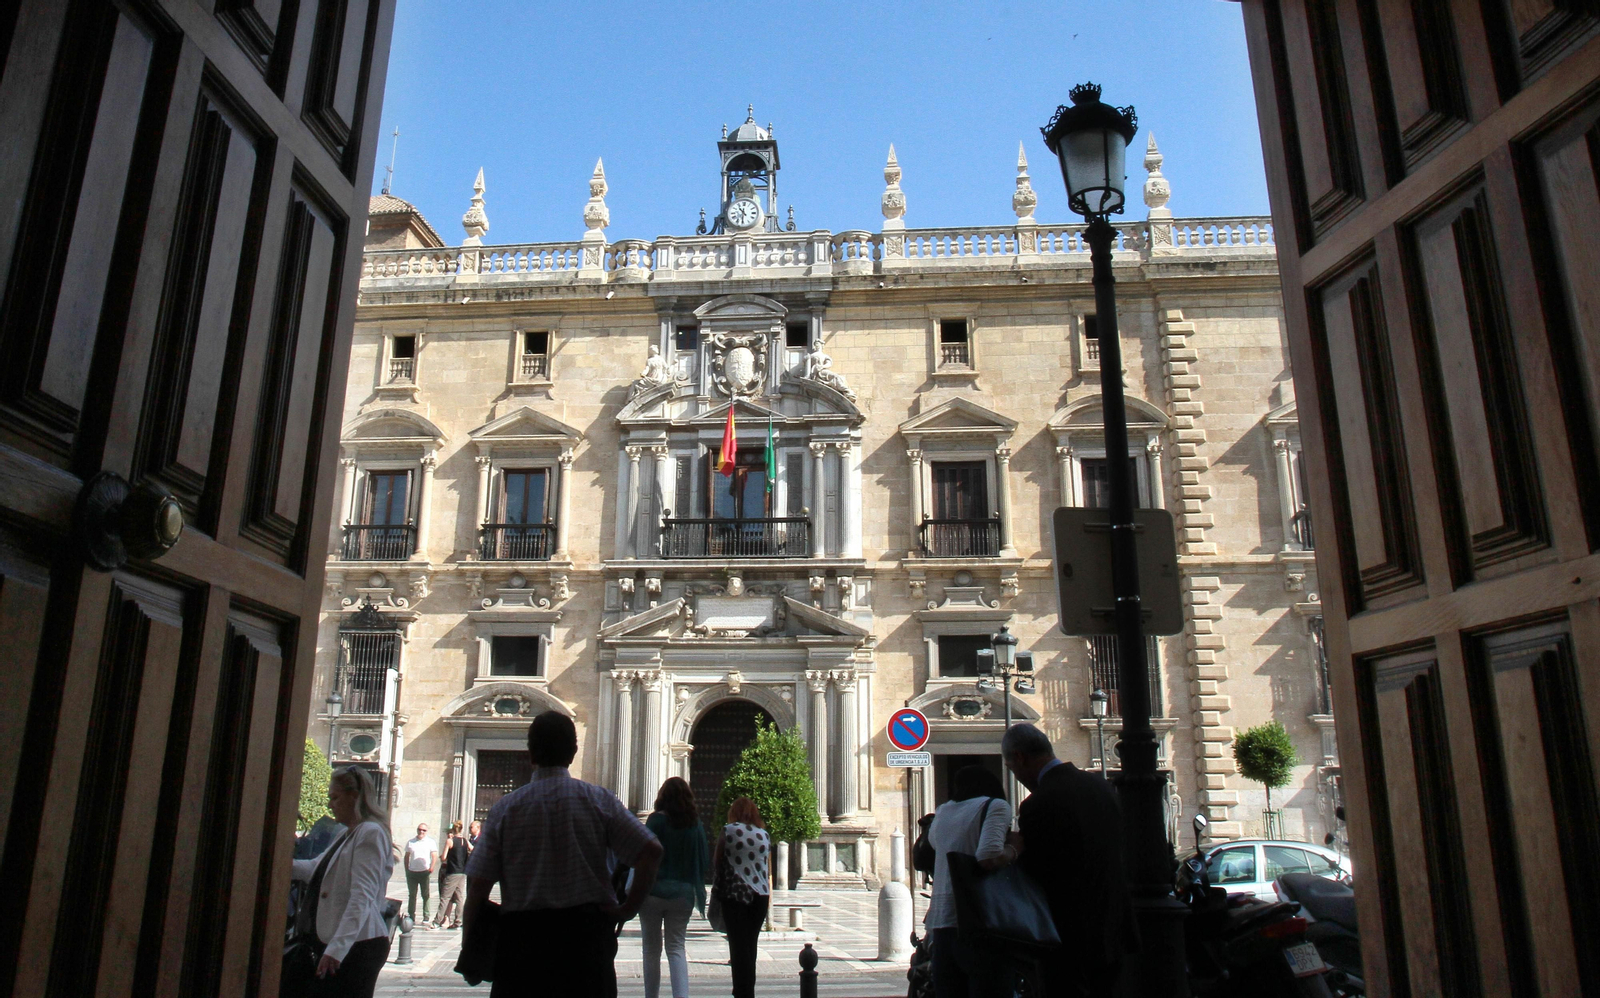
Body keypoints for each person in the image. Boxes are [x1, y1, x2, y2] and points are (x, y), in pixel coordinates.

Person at [463, 711, 663, 997]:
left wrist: (470, 948)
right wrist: (628, 908)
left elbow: (478, 888)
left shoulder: (505, 809)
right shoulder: (599, 800)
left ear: (531, 753)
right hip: (586, 941)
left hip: (523, 944)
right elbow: (651, 851)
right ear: (573, 752)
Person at [1001, 724, 1136, 998]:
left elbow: (1039, 872)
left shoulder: (1038, 804)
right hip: (1114, 925)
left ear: (1020, 757)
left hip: (1067, 934)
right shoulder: (1102, 787)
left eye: (1013, 769)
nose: (1017, 777)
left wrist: (1015, 850)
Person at [288, 765, 396, 997]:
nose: (330, 805)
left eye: (335, 797)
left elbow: (362, 895)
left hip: (357, 944)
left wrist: (337, 950)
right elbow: (314, 869)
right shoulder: (347, 833)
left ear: (354, 796)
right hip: (341, 942)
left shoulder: (370, 833)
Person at [923, 765, 1016, 998]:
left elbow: (935, 845)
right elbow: (989, 855)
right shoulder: (995, 806)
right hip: (983, 921)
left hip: (943, 922)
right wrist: (1015, 849)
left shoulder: (943, 811)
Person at [641, 777, 709, 998]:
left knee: (651, 951)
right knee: (676, 948)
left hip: (652, 893)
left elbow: (642, 854)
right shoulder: (695, 824)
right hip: (682, 895)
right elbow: (703, 859)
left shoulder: (654, 821)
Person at [713, 797, 770, 998]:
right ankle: (748, 991)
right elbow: (765, 865)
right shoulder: (764, 835)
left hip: (736, 893)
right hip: (761, 895)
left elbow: (717, 860)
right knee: (750, 946)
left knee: (738, 947)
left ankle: (741, 992)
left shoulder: (729, 831)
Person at [434, 821, 469, 929]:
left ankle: (436, 922)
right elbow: (473, 849)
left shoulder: (450, 841)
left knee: (445, 897)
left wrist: (444, 856)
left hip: (452, 871)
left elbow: (444, 857)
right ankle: (458, 921)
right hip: (462, 872)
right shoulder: (464, 841)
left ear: (453, 830)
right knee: (459, 898)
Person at [403, 822, 438, 926]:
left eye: (424, 830)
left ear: (426, 831)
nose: (421, 831)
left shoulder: (430, 842)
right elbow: (407, 856)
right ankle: (411, 915)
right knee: (412, 895)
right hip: (412, 872)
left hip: (424, 872)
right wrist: (407, 869)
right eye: (419, 829)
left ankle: (426, 916)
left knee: (425, 894)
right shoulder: (411, 842)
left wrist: (431, 867)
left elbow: (434, 855)